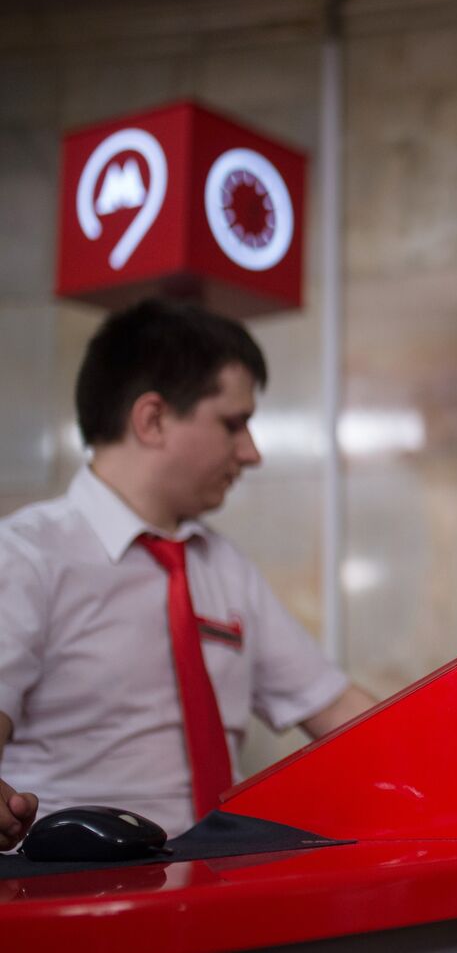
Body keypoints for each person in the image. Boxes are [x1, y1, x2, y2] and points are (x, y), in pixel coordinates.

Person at [0, 298, 375, 847]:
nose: (251, 453)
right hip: (77, 896)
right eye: (234, 424)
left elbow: (337, 709)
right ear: (152, 420)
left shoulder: (224, 566)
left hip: (220, 884)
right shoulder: (28, 554)